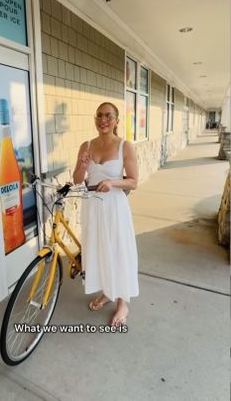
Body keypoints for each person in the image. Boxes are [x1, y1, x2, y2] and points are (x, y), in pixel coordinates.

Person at [73, 102, 139, 327]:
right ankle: (107, 292)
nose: (103, 119)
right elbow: (77, 178)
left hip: (115, 208)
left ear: (116, 121)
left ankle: (122, 302)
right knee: (98, 252)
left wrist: (112, 182)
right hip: (93, 207)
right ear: (95, 119)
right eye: (99, 115)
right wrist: (82, 166)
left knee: (118, 251)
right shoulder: (86, 145)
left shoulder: (125, 147)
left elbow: (133, 181)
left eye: (109, 116)